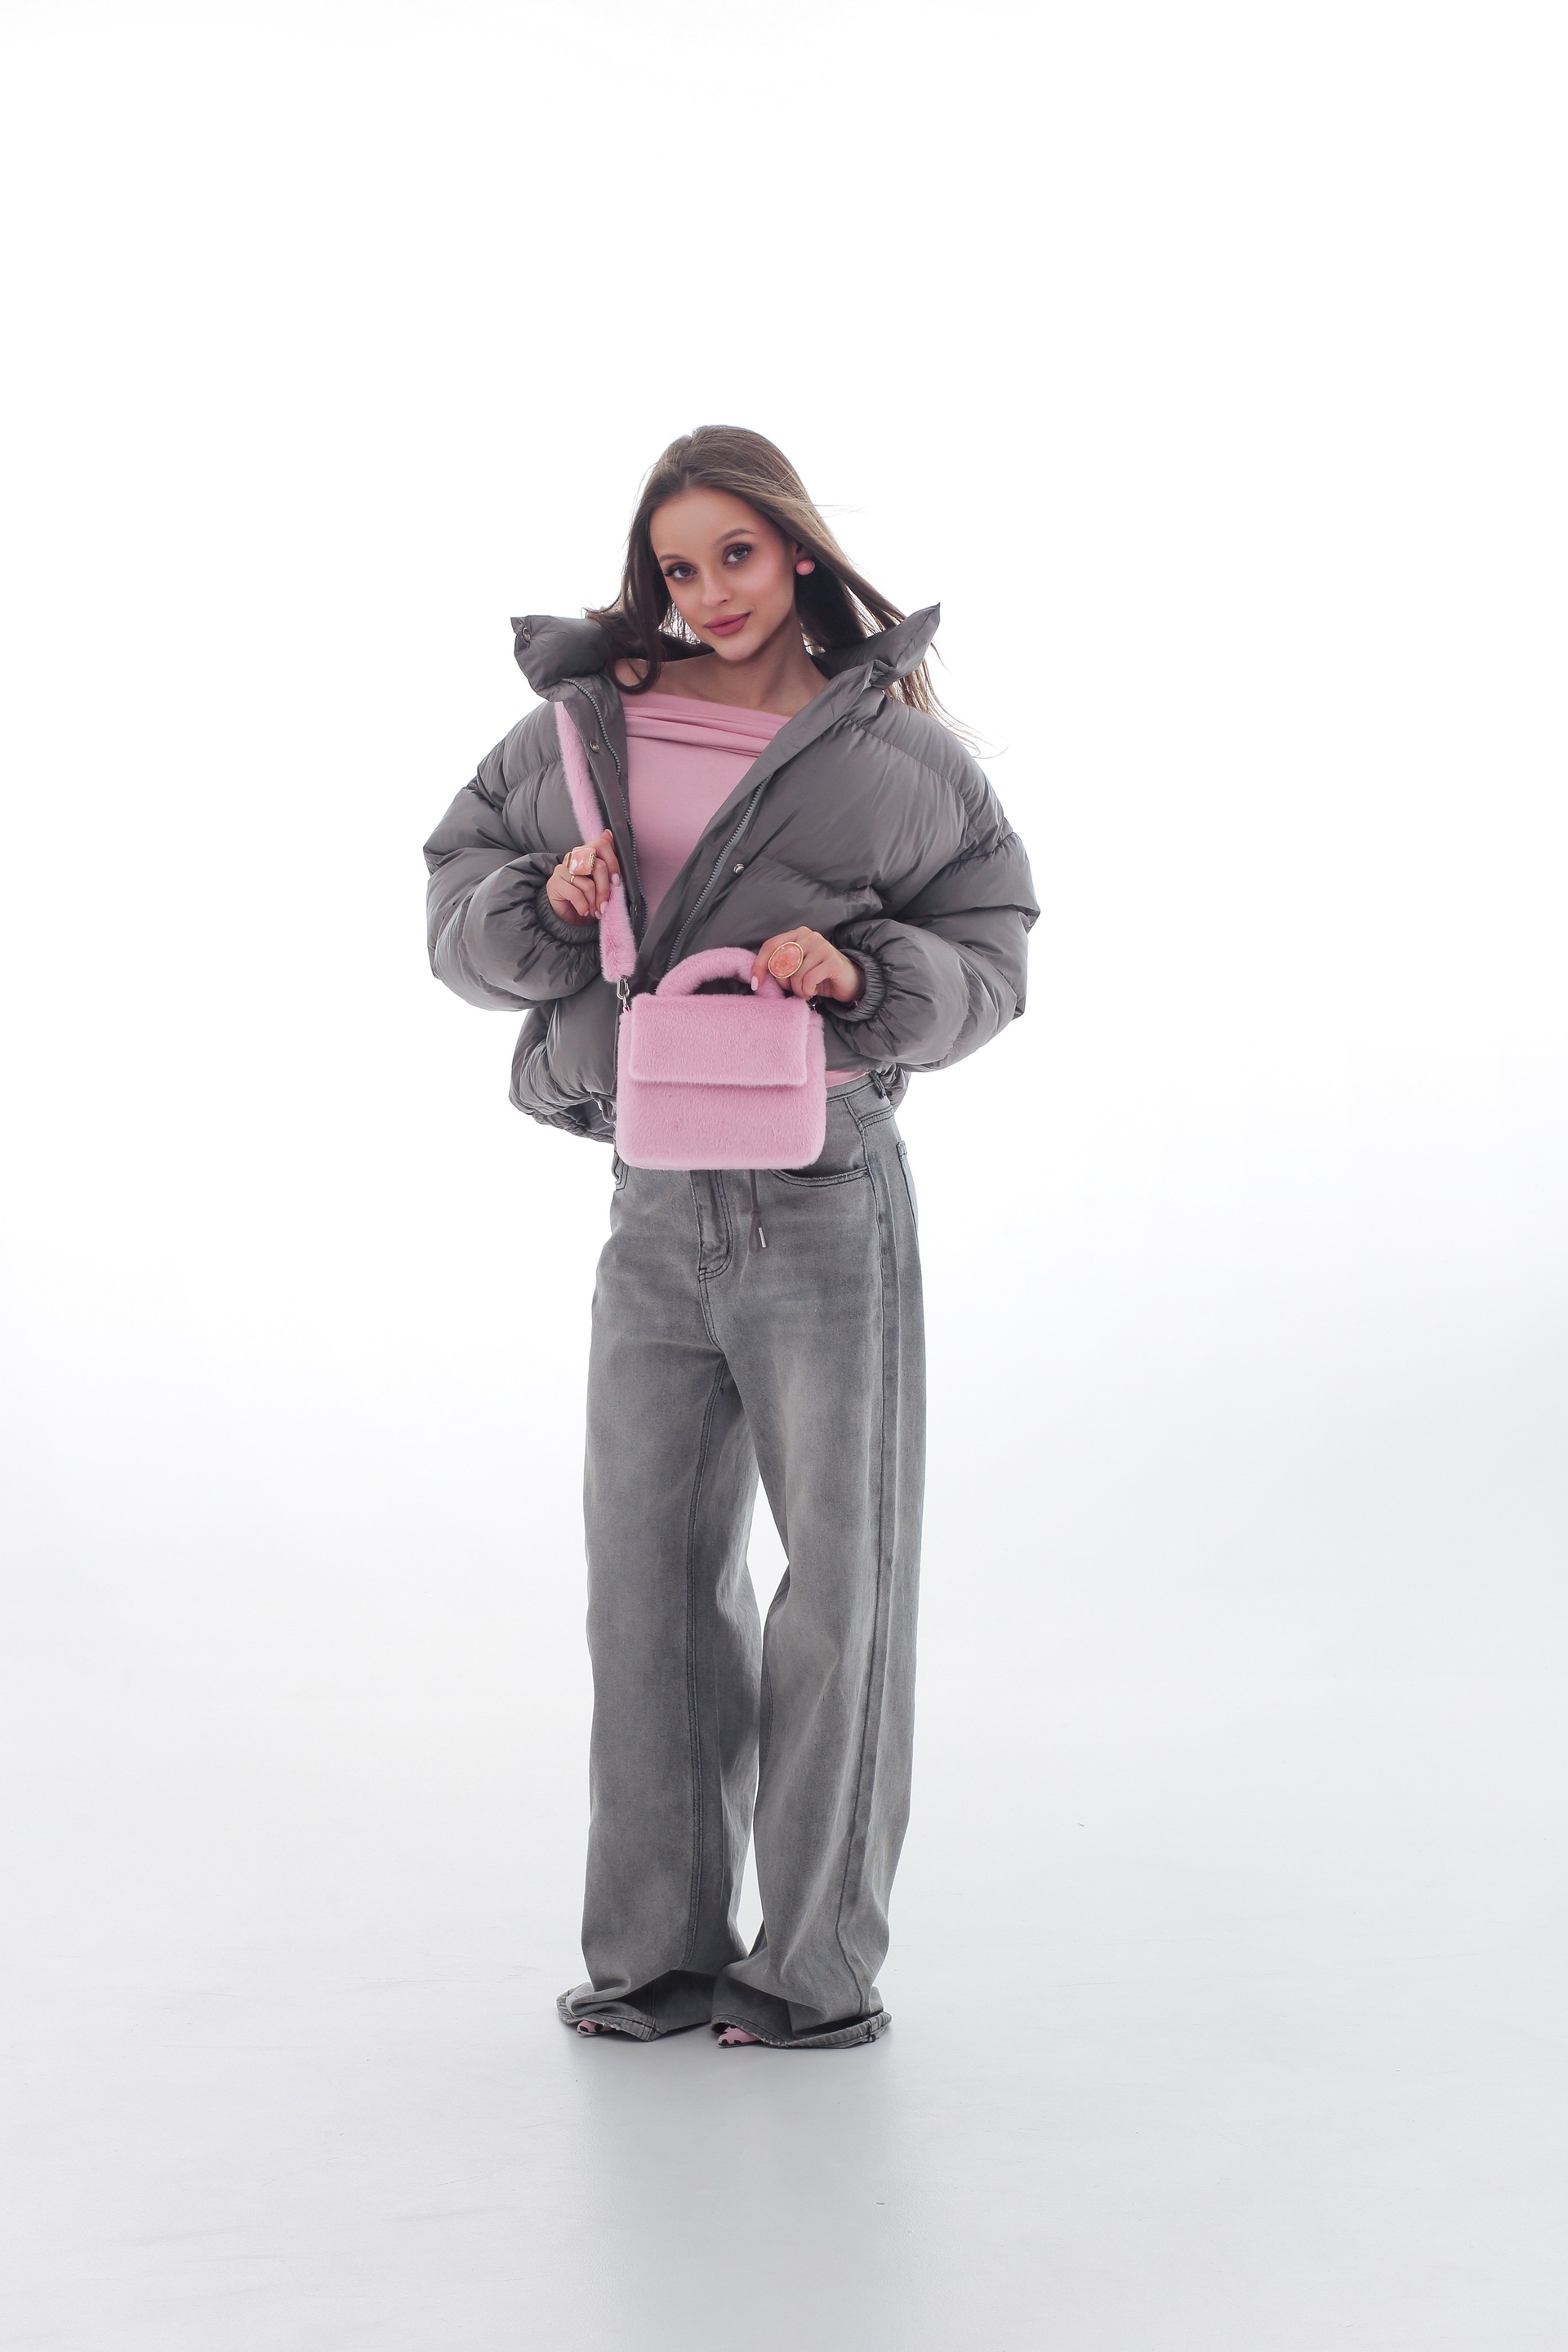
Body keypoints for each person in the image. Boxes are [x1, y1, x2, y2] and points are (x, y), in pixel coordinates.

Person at [424, 426, 1037, 2048]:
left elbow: (992, 946)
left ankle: (814, 1971)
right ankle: (657, 1954)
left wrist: (866, 978)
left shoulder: (902, 758)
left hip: (828, 1191)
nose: (709, 592)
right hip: (652, 1195)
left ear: (799, 548)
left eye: (736, 555)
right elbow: (457, 907)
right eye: (677, 567)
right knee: (645, 1584)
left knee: (841, 1584)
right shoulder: (584, 730)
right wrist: (547, 907)